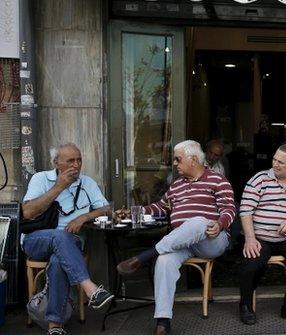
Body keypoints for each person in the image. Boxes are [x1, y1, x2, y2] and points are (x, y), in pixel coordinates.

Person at [116, 140, 235, 335]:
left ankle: (144, 257)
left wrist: (220, 224)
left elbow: (230, 209)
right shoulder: (176, 186)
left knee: (197, 222)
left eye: (178, 159)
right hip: (182, 243)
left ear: (194, 160)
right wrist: (133, 212)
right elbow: (160, 208)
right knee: (164, 261)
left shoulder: (217, 180)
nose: (175, 164)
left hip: (211, 239)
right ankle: (163, 322)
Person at [21, 143, 114, 335]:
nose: (76, 165)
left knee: (58, 261)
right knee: (59, 235)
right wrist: (59, 186)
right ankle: (90, 289)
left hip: (71, 242)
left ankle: (54, 326)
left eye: (79, 160)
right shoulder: (40, 179)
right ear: (56, 163)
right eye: (70, 160)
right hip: (37, 239)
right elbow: (28, 212)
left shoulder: (87, 183)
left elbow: (106, 208)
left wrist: (84, 217)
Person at [238, 143, 286, 326]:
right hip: (260, 236)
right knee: (251, 261)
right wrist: (250, 239)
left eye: (281, 162)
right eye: (274, 159)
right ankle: (246, 306)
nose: (275, 164)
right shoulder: (260, 179)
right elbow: (245, 210)